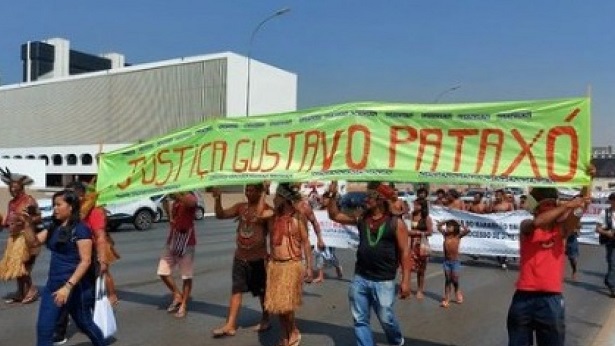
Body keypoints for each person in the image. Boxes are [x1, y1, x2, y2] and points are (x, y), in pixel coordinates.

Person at [326, 181, 410, 346]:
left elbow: (405, 252)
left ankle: (396, 340)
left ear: (379, 200)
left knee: (386, 317)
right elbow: (335, 215)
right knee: (360, 319)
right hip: (360, 278)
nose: (365, 200)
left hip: (384, 280)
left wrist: (406, 280)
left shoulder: (396, 223)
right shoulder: (362, 218)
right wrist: (331, 195)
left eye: (369, 197)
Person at [506, 182, 591, 346]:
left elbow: (582, 204)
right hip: (523, 297)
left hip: (550, 299)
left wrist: (588, 181)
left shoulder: (562, 230)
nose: (549, 209)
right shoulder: (527, 225)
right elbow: (538, 222)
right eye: (546, 205)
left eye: (551, 205)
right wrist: (567, 205)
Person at [22, 189, 106, 346]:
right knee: (44, 329)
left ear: (71, 207)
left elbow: (85, 261)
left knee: (84, 323)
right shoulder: (54, 226)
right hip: (53, 286)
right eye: (54, 205)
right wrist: (28, 224)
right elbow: (33, 243)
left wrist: (68, 287)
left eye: (58, 204)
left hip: (76, 288)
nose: (55, 208)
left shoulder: (81, 229)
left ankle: (101, 343)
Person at [53, 181, 120, 345]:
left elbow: (101, 236)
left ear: (81, 196)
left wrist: (103, 260)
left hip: (88, 261)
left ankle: (92, 330)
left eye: (71, 195)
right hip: (69, 262)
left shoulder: (94, 212)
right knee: (69, 301)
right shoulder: (69, 214)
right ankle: (63, 331)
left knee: (81, 304)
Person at [210, 183, 271, 338]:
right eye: (247, 190)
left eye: (252, 190)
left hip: (258, 259)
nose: (248, 193)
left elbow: (272, 232)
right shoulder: (240, 207)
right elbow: (221, 215)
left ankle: (266, 318)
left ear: (259, 192)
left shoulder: (266, 209)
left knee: (262, 292)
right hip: (240, 258)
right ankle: (230, 325)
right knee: (236, 290)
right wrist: (218, 199)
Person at [258, 183, 313, 346]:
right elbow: (260, 212)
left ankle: (292, 333)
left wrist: (309, 267)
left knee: (287, 306)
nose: (274, 200)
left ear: (285, 199)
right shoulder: (272, 216)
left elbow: (305, 242)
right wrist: (263, 191)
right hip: (275, 266)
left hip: (292, 265)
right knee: (279, 306)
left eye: (277, 197)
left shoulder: (298, 217)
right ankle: (286, 334)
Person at [1, 168, 41, 304]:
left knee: (25, 267)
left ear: (21, 187)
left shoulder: (29, 200)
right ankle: (20, 291)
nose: (13, 190)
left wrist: (25, 220)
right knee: (17, 267)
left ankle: (31, 290)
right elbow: (7, 220)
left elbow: (38, 217)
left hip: (27, 237)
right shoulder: (11, 203)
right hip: (14, 238)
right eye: (11, 187)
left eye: (15, 187)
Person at [157, 191, 197, 318]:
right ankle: (177, 294)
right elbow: (171, 218)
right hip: (173, 240)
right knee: (162, 271)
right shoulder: (175, 202)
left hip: (187, 243)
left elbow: (190, 203)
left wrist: (177, 192)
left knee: (186, 276)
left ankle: (184, 304)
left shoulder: (190, 197)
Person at [436, 219, 470, 308]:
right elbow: (438, 226)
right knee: (447, 280)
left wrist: (459, 223)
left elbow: (467, 230)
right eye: (447, 226)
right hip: (446, 262)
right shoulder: (445, 235)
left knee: (454, 279)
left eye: (449, 226)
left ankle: (457, 291)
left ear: (454, 228)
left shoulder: (457, 236)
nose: (447, 228)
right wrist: (446, 221)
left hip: (455, 262)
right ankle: (446, 299)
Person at [408, 198, 433, 299]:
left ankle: (420, 290)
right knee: (408, 267)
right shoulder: (411, 216)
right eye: (414, 204)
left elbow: (430, 232)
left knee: (421, 270)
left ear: (422, 207)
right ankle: (407, 289)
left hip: (421, 245)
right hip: (410, 244)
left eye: (417, 205)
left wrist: (418, 233)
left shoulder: (426, 218)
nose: (414, 206)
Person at [595, 192, 615, 297]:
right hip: (611, 242)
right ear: (611, 201)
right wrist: (607, 232)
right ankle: (612, 288)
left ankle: (609, 279)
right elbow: (597, 228)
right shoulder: (605, 213)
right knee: (612, 263)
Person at [490, 189, 515, 269]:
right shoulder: (494, 204)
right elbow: (488, 212)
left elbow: (514, 215)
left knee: (504, 243)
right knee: (496, 244)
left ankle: (503, 260)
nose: (497, 197)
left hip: (505, 227)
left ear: (502, 195)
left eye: (498, 195)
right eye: (496, 195)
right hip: (495, 227)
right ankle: (499, 258)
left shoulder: (508, 204)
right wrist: (490, 205)